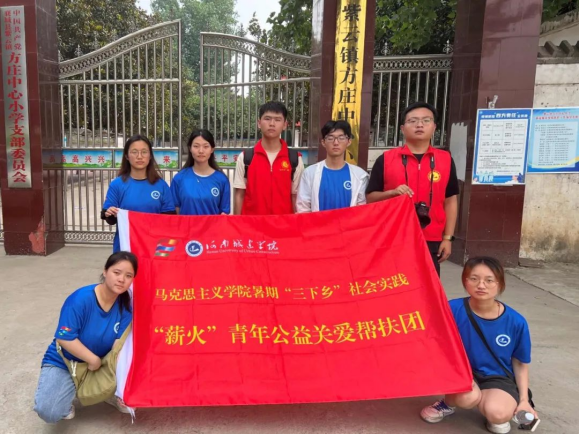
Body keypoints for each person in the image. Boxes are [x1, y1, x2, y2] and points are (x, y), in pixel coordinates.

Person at [421, 257, 537, 434]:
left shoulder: (516, 322)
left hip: (497, 377)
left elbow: (520, 363)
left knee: (498, 414)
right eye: (474, 279)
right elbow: (431, 340)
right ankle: (448, 403)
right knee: (467, 397)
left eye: (489, 280)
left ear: (500, 284)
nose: (481, 285)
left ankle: (492, 401)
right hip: (462, 372)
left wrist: (523, 401)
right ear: (465, 281)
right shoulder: (452, 309)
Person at [34, 252, 139, 423]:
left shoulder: (125, 306)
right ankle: (67, 397)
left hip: (102, 363)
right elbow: (64, 338)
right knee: (50, 411)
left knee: (129, 373)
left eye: (128, 276)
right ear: (105, 271)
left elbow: (118, 347)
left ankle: (109, 393)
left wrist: (122, 385)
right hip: (66, 362)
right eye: (117, 272)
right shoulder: (80, 299)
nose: (121, 279)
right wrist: (93, 359)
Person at [366, 102, 459, 276]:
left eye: (426, 120)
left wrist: (448, 238)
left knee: (427, 286)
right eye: (413, 121)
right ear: (403, 128)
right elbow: (370, 198)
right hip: (393, 237)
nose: (419, 125)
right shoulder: (385, 159)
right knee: (393, 284)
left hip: (431, 237)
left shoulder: (445, 160)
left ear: (434, 127)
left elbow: (450, 201)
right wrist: (392, 193)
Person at [102, 135, 175, 252]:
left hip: (153, 248)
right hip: (126, 248)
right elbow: (110, 218)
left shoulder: (161, 186)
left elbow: (169, 218)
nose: (139, 156)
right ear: (127, 156)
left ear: (150, 155)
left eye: (144, 152)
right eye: (134, 152)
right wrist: (110, 213)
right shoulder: (117, 185)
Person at [233, 101, 305, 215]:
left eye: (277, 119)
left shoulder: (294, 159)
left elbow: (295, 196)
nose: (272, 123)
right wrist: (237, 223)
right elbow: (239, 194)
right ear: (259, 123)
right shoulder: (246, 157)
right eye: (267, 119)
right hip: (253, 224)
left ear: (285, 124)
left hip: (283, 224)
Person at [296, 120, 369, 212]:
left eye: (341, 138)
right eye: (330, 138)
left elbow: (362, 210)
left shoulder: (360, 176)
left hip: (348, 222)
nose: (336, 142)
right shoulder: (310, 173)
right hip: (319, 221)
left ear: (349, 142)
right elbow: (303, 208)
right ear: (323, 142)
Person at [171, 129, 231, 216]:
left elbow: (224, 212)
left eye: (206, 146)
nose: (201, 151)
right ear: (190, 148)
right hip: (186, 225)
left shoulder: (222, 180)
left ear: (212, 149)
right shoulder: (179, 178)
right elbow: (175, 209)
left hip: (212, 225)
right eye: (196, 146)